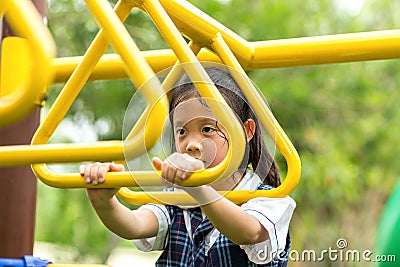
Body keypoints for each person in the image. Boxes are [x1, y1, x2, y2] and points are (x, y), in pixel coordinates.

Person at [79, 67, 296, 266]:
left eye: (208, 129)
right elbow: (134, 225)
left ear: (246, 131)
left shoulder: (270, 200)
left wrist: (198, 189)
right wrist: (104, 202)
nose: (192, 144)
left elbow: (249, 233)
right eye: (182, 131)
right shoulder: (177, 199)